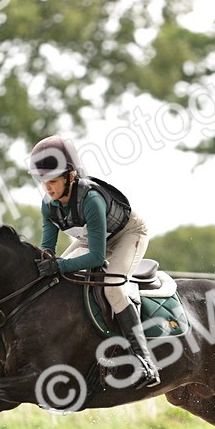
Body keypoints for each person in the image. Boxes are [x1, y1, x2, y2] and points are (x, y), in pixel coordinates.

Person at [27, 135, 160, 388]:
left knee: (112, 286)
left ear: (71, 177)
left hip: (127, 234)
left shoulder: (91, 200)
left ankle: (145, 360)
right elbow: (48, 249)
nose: (48, 188)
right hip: (93, 237)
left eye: (53, 181)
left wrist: (60, 265)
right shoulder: (49, 205)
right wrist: (45, 264)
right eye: (44, 182)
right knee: (55, 281)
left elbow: (97, 258)